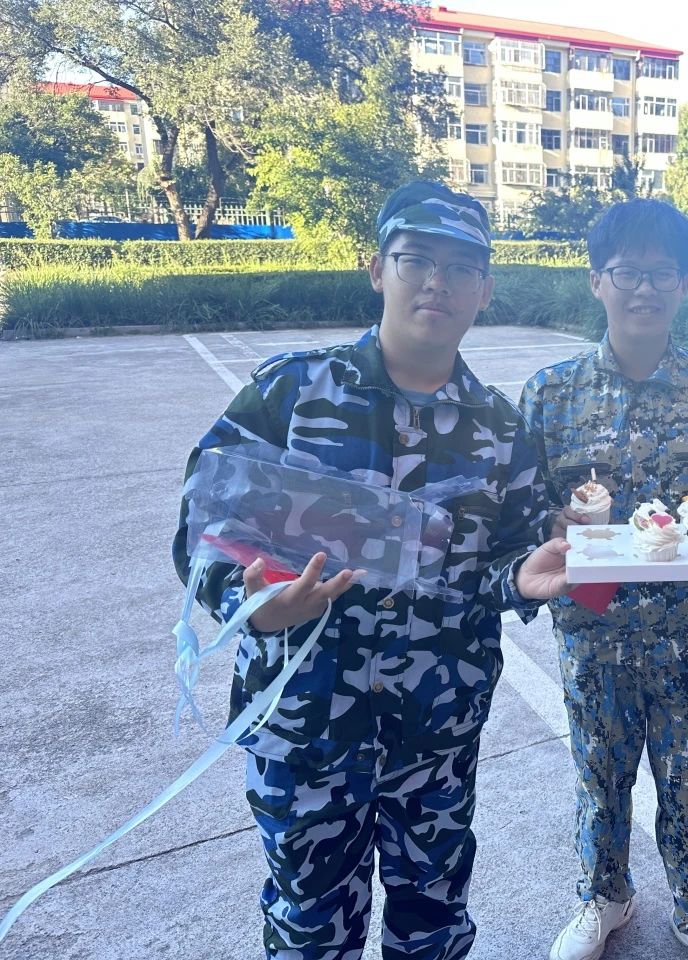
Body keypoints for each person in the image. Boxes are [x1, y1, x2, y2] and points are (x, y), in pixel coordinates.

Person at [173, 180, 571, 960]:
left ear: (485, 289)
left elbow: (508, 556)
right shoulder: (292, 391)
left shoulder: (503, 429)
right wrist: (247, 603)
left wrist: (523, 578)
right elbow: (206, 524)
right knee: (310, 923)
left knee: (433, 918)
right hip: (307, 725)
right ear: (376, 268)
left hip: (436, 727)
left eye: (461, 268)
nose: (437, 283)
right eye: (416, 259)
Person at [518, 199, 688, 960]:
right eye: (627, 272)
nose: (644, 289)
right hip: (591, 636)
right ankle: (605, 897)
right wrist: (554, 524)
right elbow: (515, 512)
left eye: (662, 274)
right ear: (597, 280)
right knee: (599, 779)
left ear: (685, 284)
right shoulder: (550, 395)